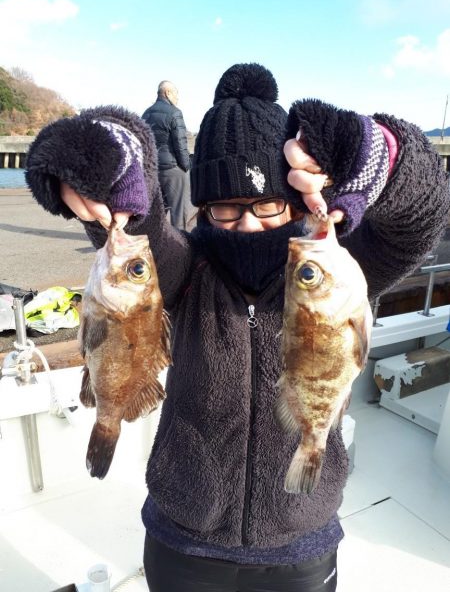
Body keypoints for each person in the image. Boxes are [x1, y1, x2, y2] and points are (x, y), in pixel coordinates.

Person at [25, 63, 450, 592]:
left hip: (302, 541)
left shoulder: (344, 268)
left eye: (267, 204)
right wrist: (106, 158)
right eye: (224, 208)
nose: (247, 223)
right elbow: (139, 222)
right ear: (202, 208)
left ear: (296, 199)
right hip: (184, 539)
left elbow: (424, 211)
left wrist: (383, 151)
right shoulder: (183, 268)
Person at [141, 80, 193, 229]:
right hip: (172, 169)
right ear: (168, 93)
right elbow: (181, 144)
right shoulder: (175, 112)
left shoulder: (145, 113)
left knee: (156, 211)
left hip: (152, 169)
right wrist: (186, 166)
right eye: (176, 94)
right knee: (178, 210)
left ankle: (154, 242)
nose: (177, 99)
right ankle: (179, 243)